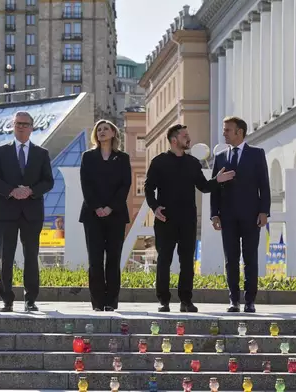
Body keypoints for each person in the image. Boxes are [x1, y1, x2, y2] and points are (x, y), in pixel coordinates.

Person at [145, 124, 235, 312]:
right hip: (165, 219)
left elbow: (203, 186)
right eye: (185, 136)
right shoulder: (159, 162)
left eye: (188, 134)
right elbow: (148, 188)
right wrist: (154, 208)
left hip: (188, 220)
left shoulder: (193, 163)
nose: (189, 138)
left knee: (187, 261)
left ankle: (186, 300)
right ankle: (164, 300)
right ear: (174, 140)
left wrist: (217, 181)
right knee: (164, 260)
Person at [0, 111, 54, 312]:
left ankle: (30, 299)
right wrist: (12, 191)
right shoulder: (1, 151)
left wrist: (31, 191)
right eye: (18, 124)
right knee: (5, 257)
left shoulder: (41, 153)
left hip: (32, 212)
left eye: (25, 124)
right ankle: (7, 299)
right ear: (13, 126)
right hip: (6, 212)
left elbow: (48, 181)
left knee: (31, 256)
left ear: (32, 127)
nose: (21, 127)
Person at [210, 116, 271, 313]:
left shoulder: (256, 154)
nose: (224, 133)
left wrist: (264, 211)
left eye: (228, 130)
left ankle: (250, 300)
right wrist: (214, 214)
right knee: (231, 260)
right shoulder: (220, 157)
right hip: (227, 217)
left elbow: (264, 185)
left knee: (250, 258)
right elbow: (215, 189)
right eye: (224, 129)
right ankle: (234, 300)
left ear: (239, 132)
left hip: (251, 216)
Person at [79, 119, 132, 312]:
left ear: (113, 133)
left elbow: (125, 185)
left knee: (113, 259)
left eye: (105, 129)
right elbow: (86, 184)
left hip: (116, 214)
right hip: (92, 215)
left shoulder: (123, 158)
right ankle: (97, 302)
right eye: (98, 129)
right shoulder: (87, 157)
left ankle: (111, 302)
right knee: (95, 260)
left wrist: (110, 207)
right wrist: (97, 207)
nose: (101, 132)